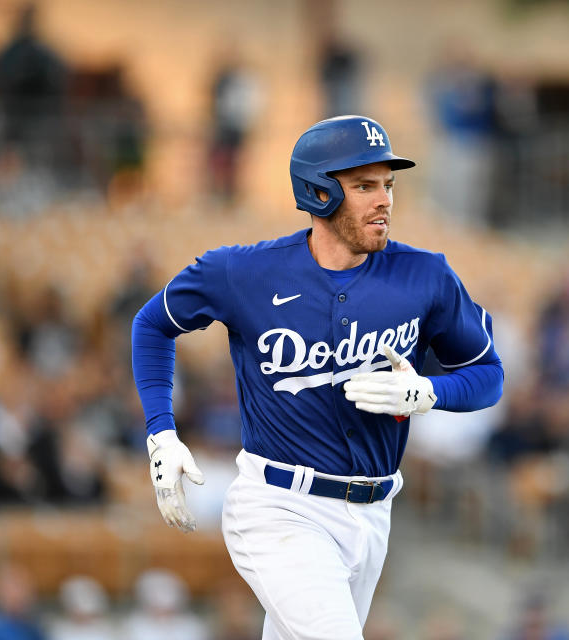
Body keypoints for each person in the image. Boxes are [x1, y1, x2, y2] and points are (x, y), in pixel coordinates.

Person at [132, 115, 504, 639]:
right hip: (279, 507)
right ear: (319, 191)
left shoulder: (426, 276)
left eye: (388, 184)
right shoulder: (245, 272)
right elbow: (152, 323)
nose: (384, 200)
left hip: (374, 514)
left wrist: (428, 392)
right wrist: (161, 431)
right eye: (363, 186)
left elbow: (489, 375)